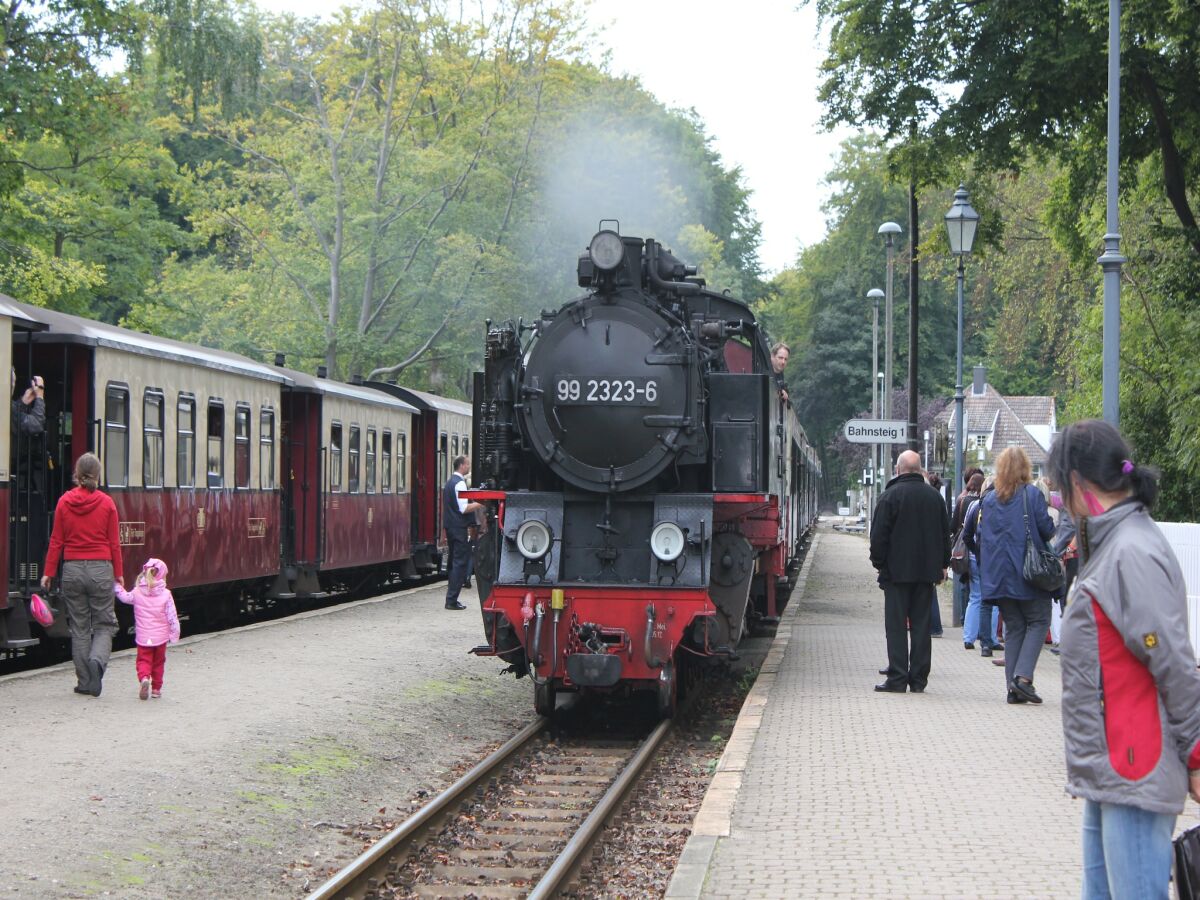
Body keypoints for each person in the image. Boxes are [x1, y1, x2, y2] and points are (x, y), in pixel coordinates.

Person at [1048, 419, 1200, 899]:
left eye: (1058, 489)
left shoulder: (1130, 552)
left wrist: (1196, 751)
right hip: (1113, 767)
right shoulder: (1116, 545)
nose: (1058, 503)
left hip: (1135, 761)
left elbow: (1172, 660)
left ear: (1077, 483)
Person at [971, 447, 1054, 703]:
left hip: (999, 575)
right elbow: (1047, 530)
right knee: (1039, 621)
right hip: (1028, 572)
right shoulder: (1032, 494)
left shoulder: (990, 499)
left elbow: (980, 535)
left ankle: (1013, 689)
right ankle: (1023, 678)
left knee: (1015, 627)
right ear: (1025, 468)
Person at [40, 452, 124, 697]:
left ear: (76, 474)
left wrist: (48, 573)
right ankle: (97, 663)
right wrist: (118, 574)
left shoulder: (64, 502)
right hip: (100, 569)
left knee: (79, 627)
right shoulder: (107, 503)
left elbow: (56, 540)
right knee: (105, 624)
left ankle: (85, 682)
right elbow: (114, 543)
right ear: (98, 475)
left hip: (72, 570)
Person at [869, 449, 951, 693]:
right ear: (918, 470)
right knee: (921, 627)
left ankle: (897, 678)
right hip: (926, 574)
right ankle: (918, 679)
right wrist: (943, 565)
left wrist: (880, 563)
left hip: (896, 573)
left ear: (898, 469)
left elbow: (878, 537)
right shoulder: (934, 498)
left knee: (896, 627)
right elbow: (944, 534)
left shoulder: (889, 496)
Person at [115, 558, 180, 700]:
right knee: (158, 662)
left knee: (143, 660)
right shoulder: (166, 594)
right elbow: (172, 617)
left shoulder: (138, 592)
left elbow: (125, 598)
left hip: (144, 636)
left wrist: (117, 586)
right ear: (162, 575)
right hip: (160, 637)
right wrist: (174, 634)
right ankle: (156, 689)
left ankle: (144, 678)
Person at [443, 455, 482, 611]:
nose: (469, 467)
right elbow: (464, 508)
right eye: (468, 464)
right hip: (459, 528)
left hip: (451, 526)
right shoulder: (459, 483)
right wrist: (480, 503)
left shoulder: (450, 482)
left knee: (454, 562)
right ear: (462, 466)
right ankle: (452, 600)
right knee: (460, 563)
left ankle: (451, 598)